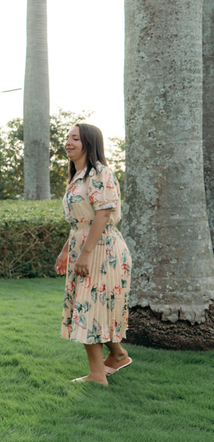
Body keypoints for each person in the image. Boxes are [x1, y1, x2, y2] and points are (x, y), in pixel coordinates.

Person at [55, 123, 133, 385]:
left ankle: (97, 376)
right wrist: (67, 252)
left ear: (89, 143)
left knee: (88, 308)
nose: (68, 142)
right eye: (67, 138)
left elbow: (102, 215)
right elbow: (80, 221)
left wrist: (86, 254)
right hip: (84, 245)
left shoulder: (101, 173)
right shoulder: (77, 176)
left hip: (103, 249)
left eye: (75, 138)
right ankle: (119, 354)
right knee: (95, 306)